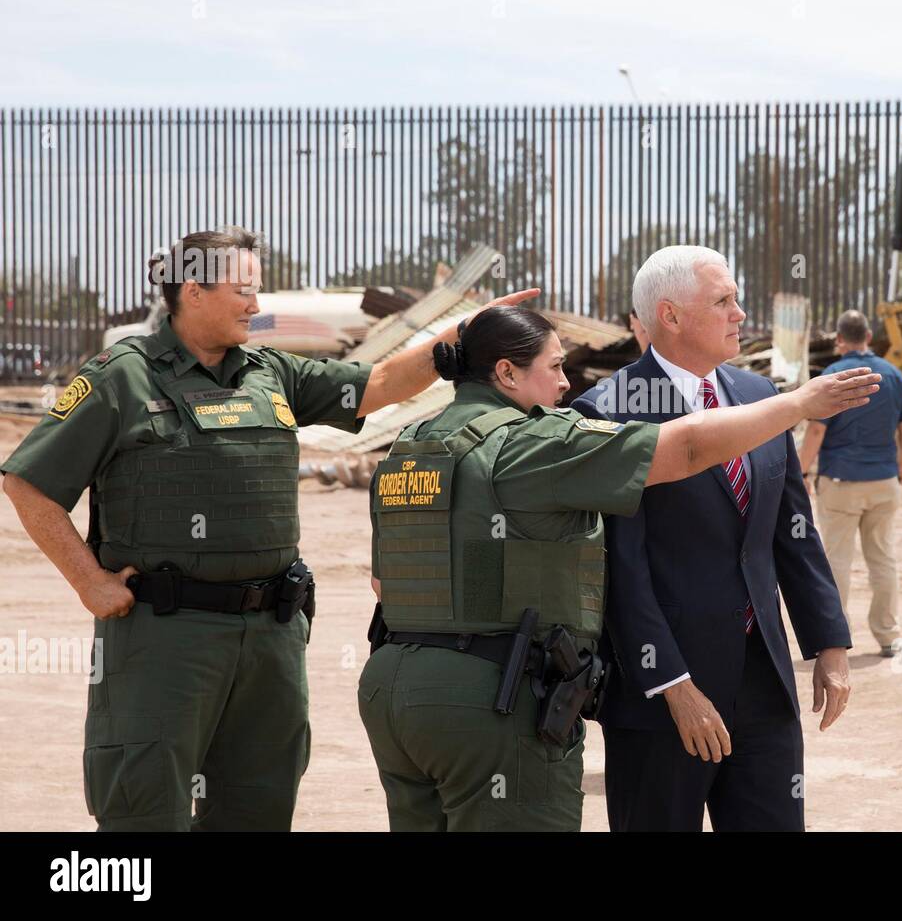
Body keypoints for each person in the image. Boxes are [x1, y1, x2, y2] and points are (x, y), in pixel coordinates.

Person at [0, 226, 537, 831]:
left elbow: (380, 384)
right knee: (144, 811)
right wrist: (89, 582)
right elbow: (27, 482)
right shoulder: (122, 376)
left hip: (271, 637)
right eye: (243, 291)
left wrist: (460, 334)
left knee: (259, 808)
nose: (256, 305)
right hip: (165, 639)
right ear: (194, 291)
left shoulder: (271, 372)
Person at [359, 304, 880, 832]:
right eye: (554, 367)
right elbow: (686, 448)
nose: (566, 384)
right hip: (490, 700)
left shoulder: (411, 447)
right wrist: (799, 403)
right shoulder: (540, 441)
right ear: (507, 373)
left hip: (393, 695)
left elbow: (385, 581)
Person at [573, 246, 854, 832]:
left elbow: (793, 532)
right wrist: (673, 685)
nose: (739, 313)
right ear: (670, 316)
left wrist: (828, 642)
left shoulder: (761, 397)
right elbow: (618, 569)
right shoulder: (606, 411)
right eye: (723, 301)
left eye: (737, 299)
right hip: (663, 698)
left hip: (763, 684)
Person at [797, 310, 902, 656]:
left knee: (837, 560)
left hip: (841, 482)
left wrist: (802, 472)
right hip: (884, 481)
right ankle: (889, 636)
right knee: (883, 558)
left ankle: (836, 637)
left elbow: (815, 430)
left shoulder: (833, 376)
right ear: (868, 337)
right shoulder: (893, 374)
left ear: (839, 340)